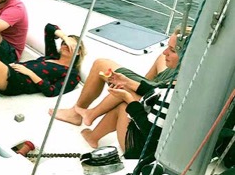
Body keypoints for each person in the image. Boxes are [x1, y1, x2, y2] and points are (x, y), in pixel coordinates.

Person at [50, 30, 181, 127]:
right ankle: (136, 92)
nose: (165, 52)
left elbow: (158, 92)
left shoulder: (182, 82)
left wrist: (129, 83)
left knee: (100, 65)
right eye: (167, 47)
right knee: (160, 59)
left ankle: (75, 114)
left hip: (159, 90)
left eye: (172, 50)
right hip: (161, 80)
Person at [83, 81, 176, 159]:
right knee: (125, 94)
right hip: (157, 145)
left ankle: (92, 135)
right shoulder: (181, 84)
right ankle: (91, 124)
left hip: (144, 152)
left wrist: (129, 100)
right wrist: (126, 82)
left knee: (123, 107)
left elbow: (152, 133)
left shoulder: (173, 93)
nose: (166, 57)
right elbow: (157, 93)